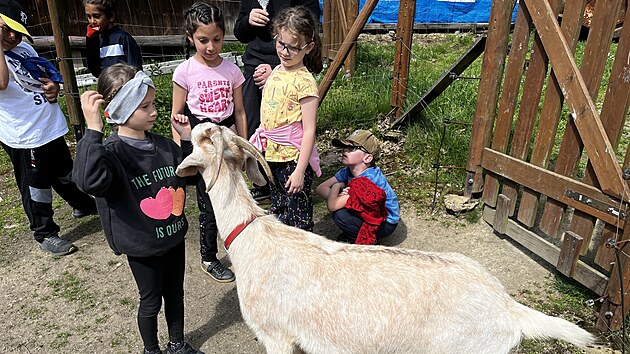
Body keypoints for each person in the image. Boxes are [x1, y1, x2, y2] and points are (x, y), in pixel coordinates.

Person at [72, 63, 203, 354]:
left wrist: (186, 140)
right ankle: (151, 349)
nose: (154, 111)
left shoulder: (165, 146)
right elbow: (88, 181)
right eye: (145, 106)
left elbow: (189, 177)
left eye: (153, 103)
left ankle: (177, 343)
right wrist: (93, 131)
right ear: (121, 110)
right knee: (151, 300)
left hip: (172, 237)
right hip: (142, 245)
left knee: (175, 294)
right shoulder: (110, 154)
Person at [0, 0, 96, 256]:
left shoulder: (24, 47)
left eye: (17, 31)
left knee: (64, 172)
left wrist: (54, 87)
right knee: (36, 185)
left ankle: (82, 204)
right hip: (24, 134)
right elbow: (1, 82)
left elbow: (42, 75)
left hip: (48, 126)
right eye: (6, 29)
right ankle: (44, 232)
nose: (13, 36)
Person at [171, 2, 247, 283]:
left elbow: (239, 111)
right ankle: (208, 257)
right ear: (191, 37)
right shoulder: (185, 71)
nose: (211, 46)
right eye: (203, 40)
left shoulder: (232, 71)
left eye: (216, 39)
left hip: (227, 141)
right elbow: (176, 115)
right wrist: (184, 150)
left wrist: (243, 144)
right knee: (209, 203)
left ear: (223, 36)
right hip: (202, 144)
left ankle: (237, 244)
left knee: (234, 194)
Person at [234, 0, 320, 202]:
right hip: (257, 67)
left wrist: (275, 70)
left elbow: (306, 26)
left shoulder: (303, 79)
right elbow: (239, 32)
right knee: (259, 122)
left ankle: (297, 176)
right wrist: (247, 21)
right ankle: (265, 183)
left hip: (283, 67)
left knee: (289, 122)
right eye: (279, 41)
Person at [249, 5, 323, 231]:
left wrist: (300, 171)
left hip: (293, 159)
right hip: (272, 155)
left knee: (298, 217)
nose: (285, 51)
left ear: (308, 47)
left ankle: (307, 261)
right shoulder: (277, 71)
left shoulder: (305, 82)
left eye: (293, 47)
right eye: (281, 43)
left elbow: (309, 130)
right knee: (280, 209)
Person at [315, 130, 400, 244]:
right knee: (342, 207)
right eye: (345, 147)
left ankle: (369, 240)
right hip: (373, 214)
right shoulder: (348, 171)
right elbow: (320, 188)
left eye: (352, 148)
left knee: (340, 215)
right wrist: (339, 195)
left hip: (385, 223)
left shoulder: (366, 181)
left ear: (367, 158)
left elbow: (332, 205)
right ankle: (356, 230)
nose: (345, 150)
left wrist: (336, 188)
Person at [83, 0, 142, 78]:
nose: (92, 21)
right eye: (89, 17)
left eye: (96, 16)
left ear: (111, 16)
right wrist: (91, 41)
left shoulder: (123, 38)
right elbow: (94, 71)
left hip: (125, 86)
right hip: (107, 87)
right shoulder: (96, 41)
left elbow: (136, 69)